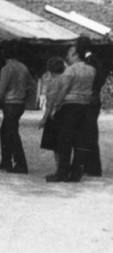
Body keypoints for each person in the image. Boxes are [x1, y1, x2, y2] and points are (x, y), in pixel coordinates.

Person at [41, 43, 96, 183]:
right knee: (80, 141)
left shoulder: (70, 70)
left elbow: (63, 89)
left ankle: (62, 173)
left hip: (70, 107)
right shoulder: (91, 70)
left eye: (70, 53)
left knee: (64, 141)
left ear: (76, 54)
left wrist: (57, 107)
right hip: (85, 106)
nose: (67, 56)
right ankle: (76, 173)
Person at [0, 49, 34, 174]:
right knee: (6, 130)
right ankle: (6, 160)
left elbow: (1, 88)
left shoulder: (6, 69)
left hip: (10, 103)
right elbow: (32, 85)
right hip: (20, 103)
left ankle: (20, 163)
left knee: (11, 133)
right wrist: (24, 95)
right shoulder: (23, 68)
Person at [79, 37, 105, 177]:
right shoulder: (95, 60)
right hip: (94, 97)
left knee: (88, 132)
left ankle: (93, 166)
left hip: (90, 98)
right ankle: (91, 165)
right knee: (89, 132)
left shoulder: (90, 62)